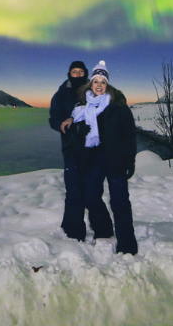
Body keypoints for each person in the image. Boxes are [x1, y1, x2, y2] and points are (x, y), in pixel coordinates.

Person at [67, 60, 138, 255]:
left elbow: (129, 135)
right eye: (96, 81)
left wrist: (130, 159)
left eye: (103, 81)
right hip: (93, 160)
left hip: (116, 160)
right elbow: (75, 133)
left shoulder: (118, 106)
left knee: (120, 202)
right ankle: (104, 230)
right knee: (90, 198)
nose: (99, 85)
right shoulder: (83, 106)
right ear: (91, 83)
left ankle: (127, 246)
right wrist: (77, 130)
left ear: (108, 85)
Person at [48, 60, 99, 241]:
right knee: (73, 190)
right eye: (74, 71)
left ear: (85, 73)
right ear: (69, 73)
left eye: (80, 71)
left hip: (94, 148)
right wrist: (69, 127)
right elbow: (54, 119)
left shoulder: (93, 90)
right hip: (71, 147)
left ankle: (101, 229)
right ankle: (72, 231)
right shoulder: (62, 93)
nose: (77, 74)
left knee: (93, 191)